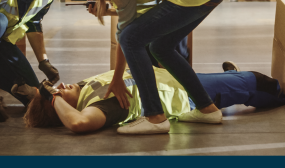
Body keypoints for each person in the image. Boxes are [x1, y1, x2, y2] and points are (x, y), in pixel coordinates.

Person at [57, 0, 230, 134]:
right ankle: (207, 109)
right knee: (160, 47)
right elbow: (145, 12)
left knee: (131, 39)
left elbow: (127, 35)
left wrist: (117, 79)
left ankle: (155, 117)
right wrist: (111, 11)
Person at [23, 62, 285, 134]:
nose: (58, 87)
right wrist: (53, 99)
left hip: (173, 76)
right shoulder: (100, 106)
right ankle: (274, 94)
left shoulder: (84, 87)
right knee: (260, 83)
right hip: (186, 93)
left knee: (227, 79)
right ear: (59, 109)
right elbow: (78, 124)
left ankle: (230, 77)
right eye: (56, 94)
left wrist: (39, 95)